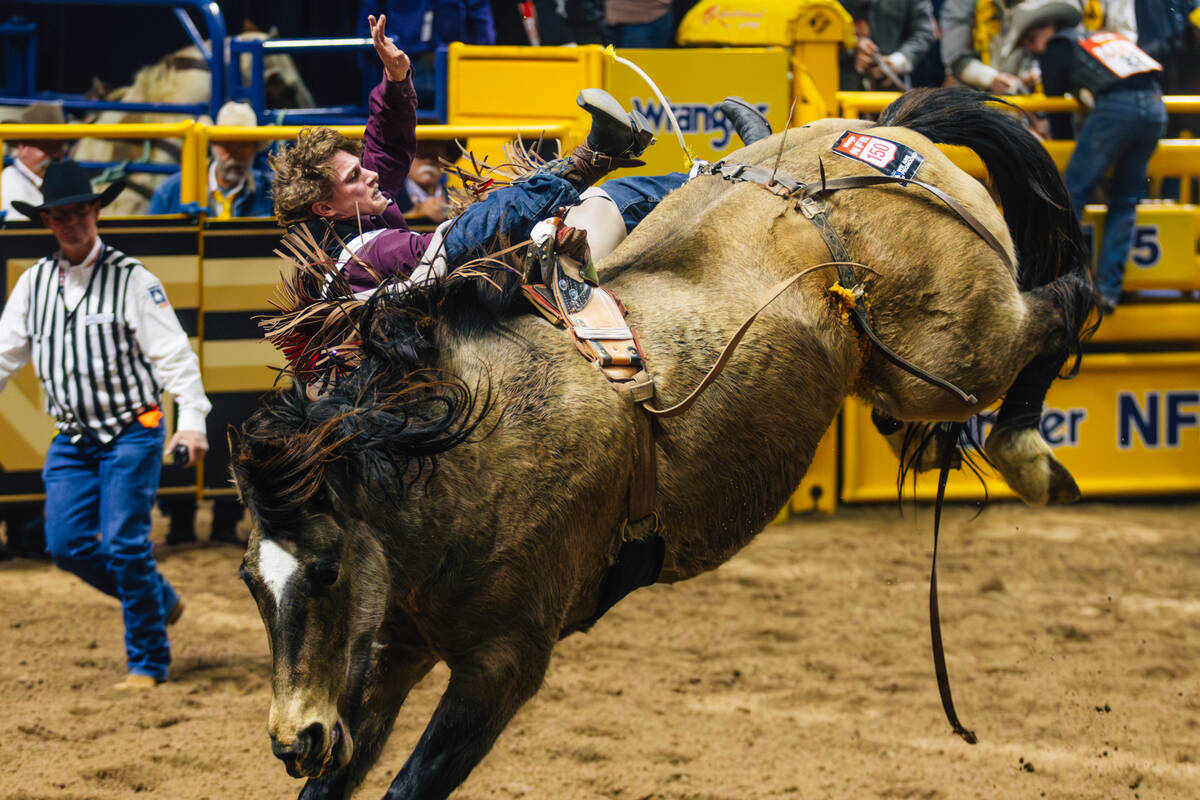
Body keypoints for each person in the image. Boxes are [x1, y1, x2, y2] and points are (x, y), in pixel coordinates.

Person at [272, 13, 676, 293]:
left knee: (601, 203)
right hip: (467, 325)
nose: (370, 175)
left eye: (359, 169)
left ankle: (708, 177)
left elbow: (385, 150)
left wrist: (396, 81)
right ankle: (705, 178)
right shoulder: (365, 253)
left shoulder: (351, 219)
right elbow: (458, 240)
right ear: (325, 208)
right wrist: (577, 167)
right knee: (602, 203)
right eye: (353, 178)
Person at [0, 160, 211, 690]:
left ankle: (147, 661)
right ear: (47, 222)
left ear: (96, 212)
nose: (71, 223)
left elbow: (175, 358)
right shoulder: (33, 284)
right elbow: (3, 356)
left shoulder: (134, 280)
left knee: (124, 543)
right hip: (72, 437)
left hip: (132, 431)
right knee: (66, 544)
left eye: (79, 212)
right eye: (59, 215)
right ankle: (158, 598)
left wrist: (191, 424)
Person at [1010, 0, 1166, 313]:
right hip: (1155, 108)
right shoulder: (1098, 39)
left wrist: (1062, 146)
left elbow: (1059, 114)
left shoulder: (1056, 48)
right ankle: (1108, 290)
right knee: (1124, 201)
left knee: (1071, 196)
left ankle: (1059, 281)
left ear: (1047, 28)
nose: (1032, 50)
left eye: (1030, 40)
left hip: (1115, 112)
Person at [148, 101, 273, 218]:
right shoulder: (170, 192)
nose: (236, 154)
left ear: (254, 149)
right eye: (227, 144)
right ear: (213, 145)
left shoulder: (271, 192)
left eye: (244, 145)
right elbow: (150, 240)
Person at [841, 0, 937, 91]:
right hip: (841, 83)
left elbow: (924, 32)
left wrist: (895, 62)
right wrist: (852, 45)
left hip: (890, 88)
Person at [1, 103, 68, 222]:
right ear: (23, 147)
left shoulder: (47, 181)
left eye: (59, 147)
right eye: (48, 146)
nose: (57, 154)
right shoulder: (13, 187)